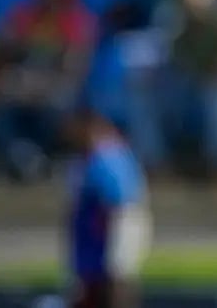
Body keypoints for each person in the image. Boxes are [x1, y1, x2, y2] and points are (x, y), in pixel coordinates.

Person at [66, 104, 151, 308]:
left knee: (117, 279)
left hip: (114, 225)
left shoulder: (108, 156)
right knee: (95, 283)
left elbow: (119, 202)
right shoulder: (91, 157)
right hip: (95, 235)